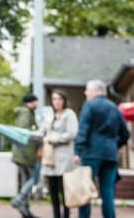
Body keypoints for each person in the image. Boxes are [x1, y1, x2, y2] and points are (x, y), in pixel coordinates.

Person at [74, 79, 130, 218]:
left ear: (95, 91)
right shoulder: (114, 108)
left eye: (87, 89)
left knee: (85, 191)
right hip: (110, 155)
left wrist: (77, 151)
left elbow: (83, 129)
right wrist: (114, 145)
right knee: (108, 192)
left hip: (91, 154)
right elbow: (126, 134)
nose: (85, 92)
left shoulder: (89, 105)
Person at [41, 90, 78, 218]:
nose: (57, 102)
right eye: (54, 99)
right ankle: (56, 215)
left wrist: (54, 138)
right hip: (50, 158)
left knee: (64, 190)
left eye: (59, 99)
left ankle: (66, 215)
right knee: (53, 191)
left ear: (64, 100)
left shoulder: (69, 114)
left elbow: (72, 134)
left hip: (63, 158)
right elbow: (44, 131)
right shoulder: (50, 115)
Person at [11, 93, 40, 218]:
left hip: (23, 152)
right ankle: (19, 200)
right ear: (30, 102)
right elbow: (23, 131)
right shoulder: (26, 113)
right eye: (35, 102)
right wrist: (38, 135)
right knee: (35, 178)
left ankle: (25, 211)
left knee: (26, 181)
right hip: (25, 153)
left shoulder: (28, 113)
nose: (37, 104)